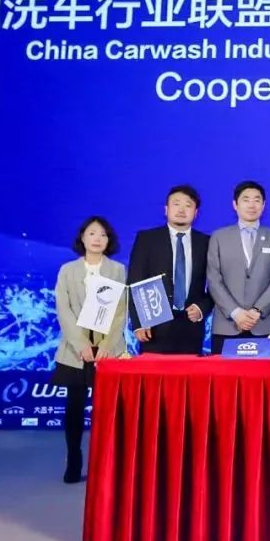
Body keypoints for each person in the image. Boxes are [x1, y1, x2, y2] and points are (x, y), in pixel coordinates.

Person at [52, 215, 127, 484]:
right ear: (82, 238)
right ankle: (73, 458)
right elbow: (64, 309)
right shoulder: (68, 270)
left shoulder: (117, 270)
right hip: (76, 351)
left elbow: (121, 311)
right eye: (92, 233)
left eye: (103, 235)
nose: (97, 239)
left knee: (109, 410)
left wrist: (106, 345)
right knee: (74, 407)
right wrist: (81, 344)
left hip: (108, 351)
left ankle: (108, 463)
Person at [127, 185, 213, 354]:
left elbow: (217, 283)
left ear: (196, 212)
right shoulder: (147, 239)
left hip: (192, 327)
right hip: (153, 326)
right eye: (176, 204)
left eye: (188, 205)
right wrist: (139, 322)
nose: (181, 209)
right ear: (166, 209)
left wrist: (202, 308)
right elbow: (135, 280)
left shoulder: (206, 242)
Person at [206, 181, 270, 354]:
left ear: (263, 205)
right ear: (235, 205)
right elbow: (213, 278)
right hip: (227, 325)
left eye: (257, 200)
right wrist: (235, 312)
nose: (252, 205)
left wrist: (258, 310)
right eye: (246, 199)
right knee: (223, 372)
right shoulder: (219, 237)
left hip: (264, 324)